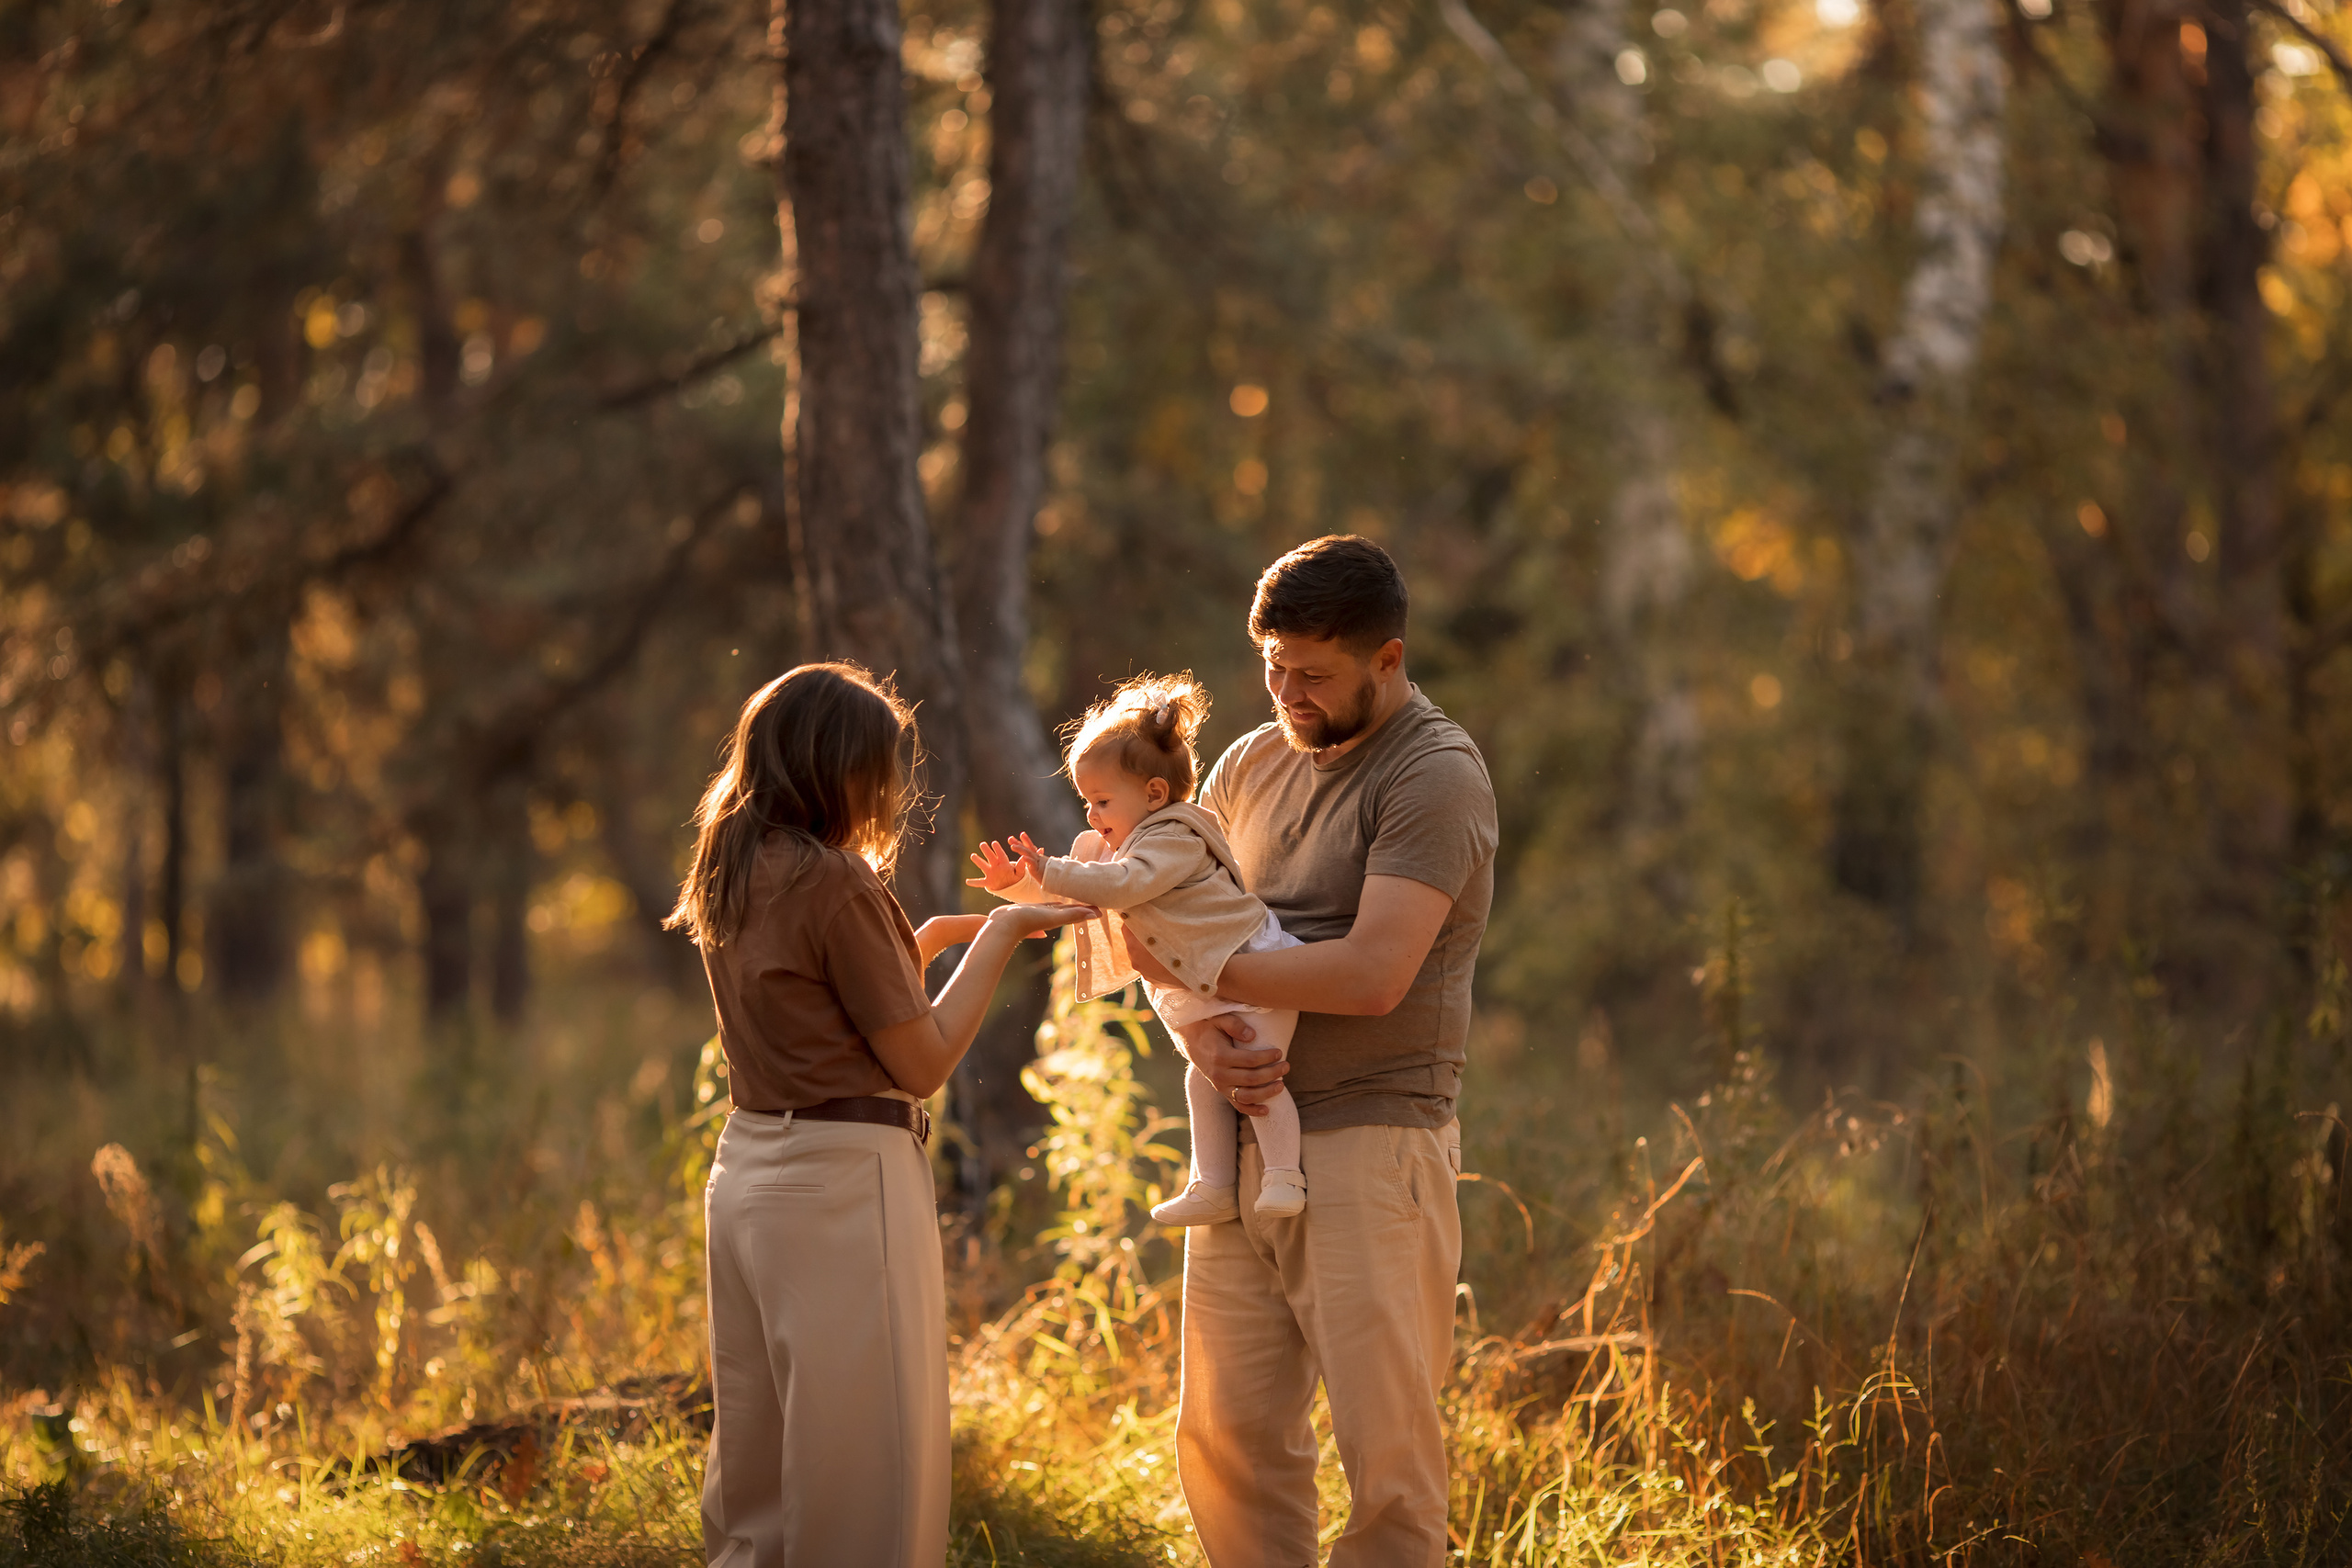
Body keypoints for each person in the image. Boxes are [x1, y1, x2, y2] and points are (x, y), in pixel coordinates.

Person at [1125, 536, 1498, 1567]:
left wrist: (1204, 969)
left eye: (1314, 674)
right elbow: (1180, 918)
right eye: (1271, 665)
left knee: (1388, 1470)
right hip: (1244, 1146)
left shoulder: (1434, 774)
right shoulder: (1249, 762)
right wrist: (1207, 1046)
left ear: (1387, 658)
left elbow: (1371, 976)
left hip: (1371, 1145)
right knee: (1229, 1441)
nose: (1286, 691)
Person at [663, 662, 1083, 1568]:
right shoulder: (836, 881)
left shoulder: (733, 868)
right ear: (840, 769)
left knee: (759, 1478)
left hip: (748, 1179)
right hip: (843, 1185)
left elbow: (820, 1003)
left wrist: (924, 940)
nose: (888, 789)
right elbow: (922, 1061)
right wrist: (1006, 933)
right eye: (880, 768)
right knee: (869, 1480)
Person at [967, 671, 1310, 1224]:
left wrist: (1053, 869)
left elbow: (1120, 886)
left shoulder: (1174, 837)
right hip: (1216, 977)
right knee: (1204, 1080)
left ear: (1153, 793)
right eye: (1086, 802)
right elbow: (1076, 898)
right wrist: (1019, 885)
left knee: (1257, 1077)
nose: (1091, 815)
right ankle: (1214, 1185)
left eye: (1100, 800)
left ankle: (1284, 1176)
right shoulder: (1128, 844)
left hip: (1254, 969)